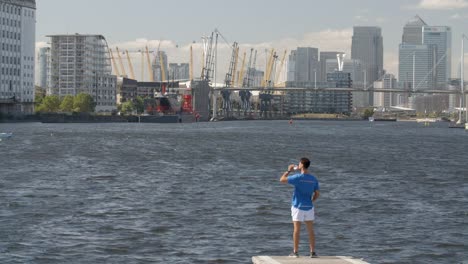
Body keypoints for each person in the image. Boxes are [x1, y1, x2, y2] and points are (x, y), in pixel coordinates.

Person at [280, 157, 320, 258]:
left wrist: (289, 170)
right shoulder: (313, 179)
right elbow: (317, 193)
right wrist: (312, 201)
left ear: (301, 165)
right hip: (309, 207)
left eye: (299, 164)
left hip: (298, 206)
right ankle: (312, 252)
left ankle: (296, 252)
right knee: (310, 230)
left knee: (296, 230)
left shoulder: (298, 177)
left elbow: (282, 180)